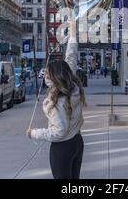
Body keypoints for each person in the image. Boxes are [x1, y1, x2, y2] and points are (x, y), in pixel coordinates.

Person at [27, 21, 86, 179]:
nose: (45, 77)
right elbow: (71, 56)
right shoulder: (72, 85)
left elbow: (59, 131)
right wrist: (73, 35)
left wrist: (35, 133)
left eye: (47, 74)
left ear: (54, 77)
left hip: (62, 149)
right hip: (77, 143)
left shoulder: (56, 101)